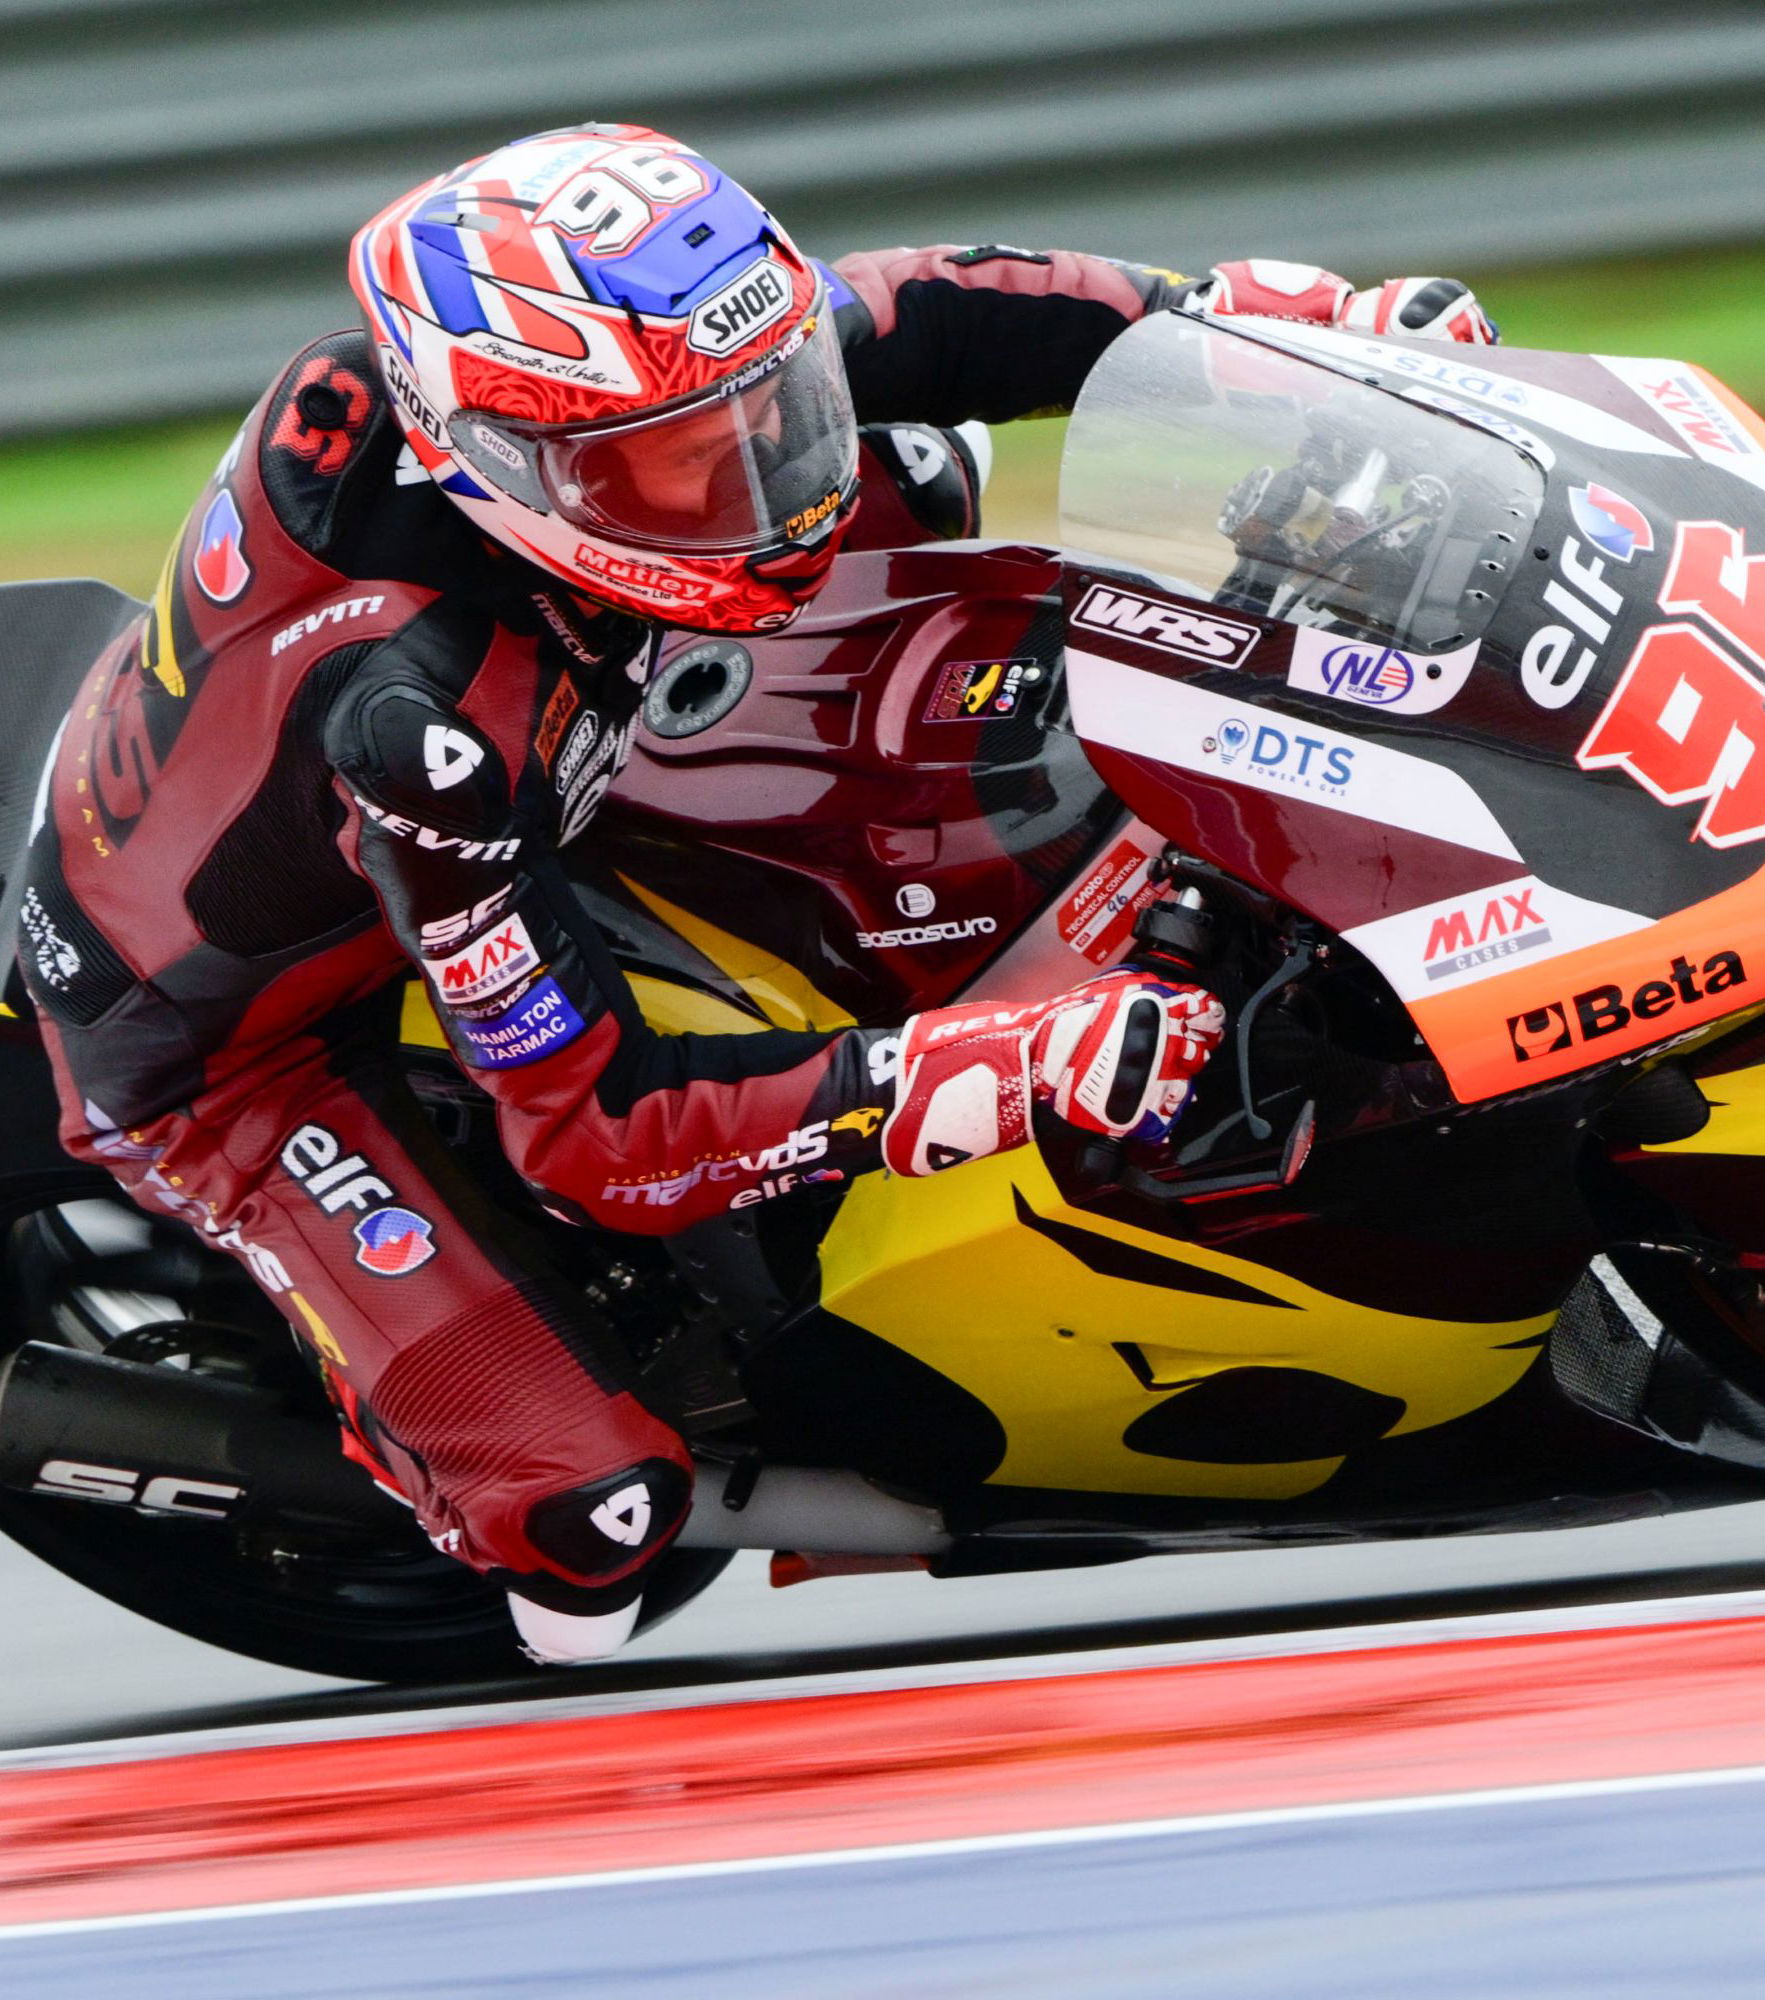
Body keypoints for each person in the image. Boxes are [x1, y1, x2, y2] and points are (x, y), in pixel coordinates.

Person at [16, 123, 1494, 1664]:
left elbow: (916, 310)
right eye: (672, 470)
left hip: (484, 742)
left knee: (916, 487)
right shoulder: (429, 726)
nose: (763, 489)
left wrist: (1265, 325)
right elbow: (599, 1136)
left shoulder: (596, 393)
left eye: (763, 415)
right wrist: (978, 1071)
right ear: (501, 465)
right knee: (591, 1541)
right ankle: (436, 1437)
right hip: (213, 1041)